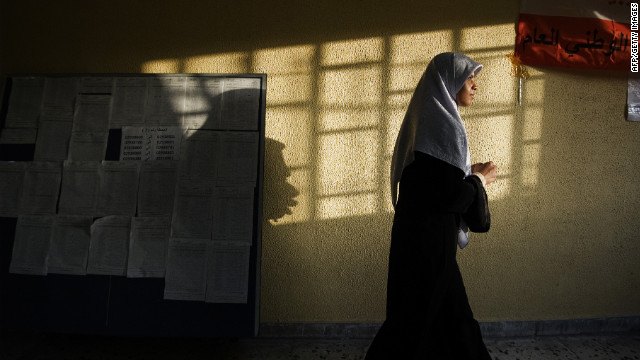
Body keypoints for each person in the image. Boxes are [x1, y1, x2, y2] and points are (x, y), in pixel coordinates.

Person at [364, 52, 498, 359]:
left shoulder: (433, 120)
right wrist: (478, 180)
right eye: (468, 78)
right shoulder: (441, 127)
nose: (474, 86)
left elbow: (437, 183)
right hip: (427, 247)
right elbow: (449, 197)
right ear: (447, 82)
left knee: (444, 321)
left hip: (426, 243)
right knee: (416, 324)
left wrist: (467, 175)